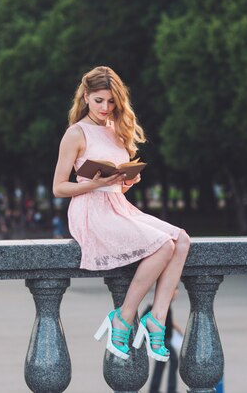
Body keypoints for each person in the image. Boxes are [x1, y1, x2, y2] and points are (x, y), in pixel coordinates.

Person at [52, 66, 190, 362]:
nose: (106, 108)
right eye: (99, 100)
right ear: (86, 97)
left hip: (117, 206)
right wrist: (96, 183)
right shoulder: (75, 133)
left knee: (182, 240)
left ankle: (156, 318)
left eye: (112, 101)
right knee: (163, 245)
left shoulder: (117, 130)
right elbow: (59, 188)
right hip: (90, 211)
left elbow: (117, 189)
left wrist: (125, 181)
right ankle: (124, 318)